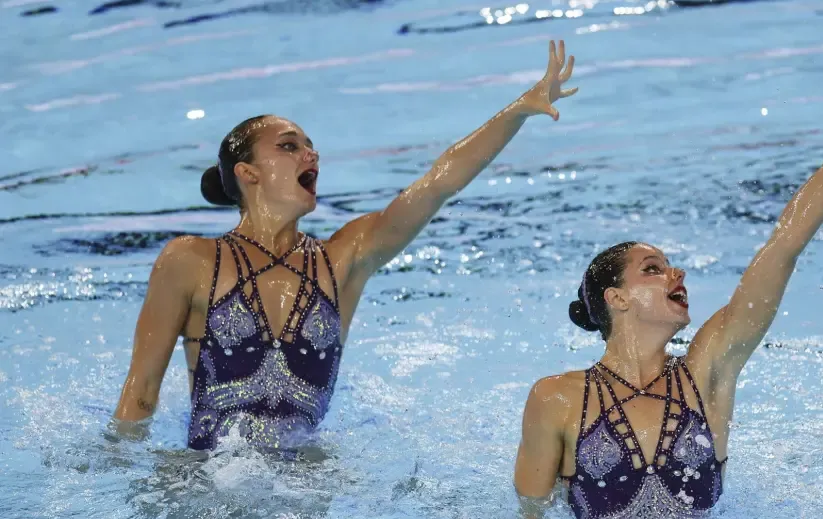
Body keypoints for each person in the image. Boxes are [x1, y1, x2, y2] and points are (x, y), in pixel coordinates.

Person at [513, 58, 823, 519]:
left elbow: (783, 247)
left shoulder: (705, 375)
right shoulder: (558, 399)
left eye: (670, 265)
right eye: (653, 269)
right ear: (617, 299)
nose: (676, 273)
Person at [111, 41, 578, 451]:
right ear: (247, 172)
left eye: (310, 146)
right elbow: (143, 388)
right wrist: (118, 471)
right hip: (210, 479)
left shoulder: (342, 260)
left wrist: (517, 110)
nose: (310, 155)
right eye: (289, 147)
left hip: (308, 487)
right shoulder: (191, 261)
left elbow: (437, 184)